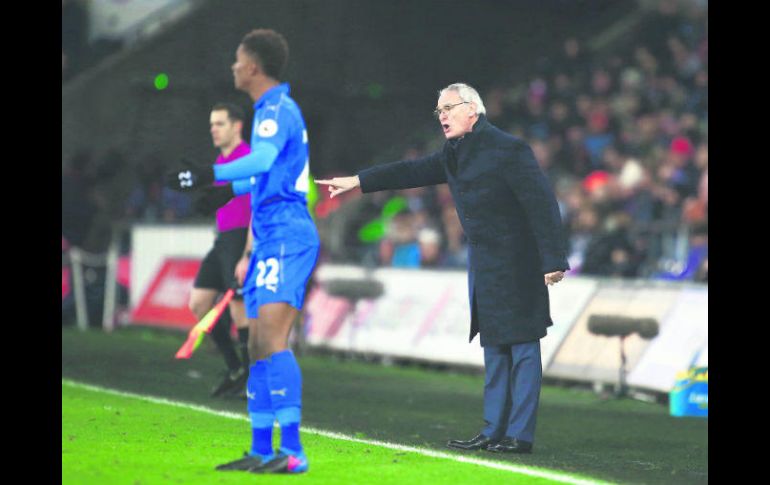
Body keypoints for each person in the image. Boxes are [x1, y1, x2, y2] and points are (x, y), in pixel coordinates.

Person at [317, 83, 569, 454]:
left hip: (519, 259)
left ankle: (520, 435)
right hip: (483, 263)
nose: (442, 117)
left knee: (523, 346)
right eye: (439, 112)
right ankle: (492, 429)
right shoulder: (455, 154)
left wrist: (553, 259)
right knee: (494, 346)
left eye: (448, 109)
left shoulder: (509, 150)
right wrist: (358, 180)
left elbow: (542, 204)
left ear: (472, 110)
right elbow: (410, 171)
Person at [165, 28, 317, 474]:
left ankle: (292, 453)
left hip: (288, 235)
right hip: (270, 235)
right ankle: (261, 448)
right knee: (255, 343)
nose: (233, 66)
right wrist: (226, 190)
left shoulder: (276, 109)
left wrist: (209, 175)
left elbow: (264, 160)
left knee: (270, 339)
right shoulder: (270, 110)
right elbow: (266, 174)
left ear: (252, 66)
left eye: (237, 60)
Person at [188, 103, 252, 398]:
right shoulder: (221, 161)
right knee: (199, 303)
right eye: (212, 124)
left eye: (220, 124)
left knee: (240, 307)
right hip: (223, 238)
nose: (213, 129)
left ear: (237, 126)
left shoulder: (248, 158)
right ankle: (234, 366)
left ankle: (251, 378)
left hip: (240, 239)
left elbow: (258, 207)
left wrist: (248, 252)